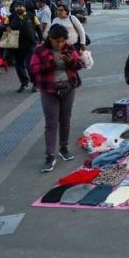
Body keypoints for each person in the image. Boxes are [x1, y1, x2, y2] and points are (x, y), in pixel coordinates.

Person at [30, 24, 84, 172]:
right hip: (49, 90)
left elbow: (80, 64)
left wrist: (70, 62)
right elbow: (33, 69)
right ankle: (50, 155)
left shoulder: (69, 48)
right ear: (50, 38)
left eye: (62, 41)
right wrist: (50, 64)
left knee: (65, 119)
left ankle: (63, 148)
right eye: (56, 41)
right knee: (51, 122)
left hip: (68, 88)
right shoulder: (40, 50)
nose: (59, 44)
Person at [8, 1, 43, 93]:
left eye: (20, 6)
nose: (18, 8)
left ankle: (36, 83)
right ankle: (24, 83)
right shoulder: (10, 17)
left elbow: (38, 28)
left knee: (30, 65)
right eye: (17, 7)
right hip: (16, 46)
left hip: (31, 44)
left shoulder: (31, 16)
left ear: (24, 7)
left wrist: (41, 40)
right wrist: (6, 28)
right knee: (19, 66)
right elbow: (3, 27)